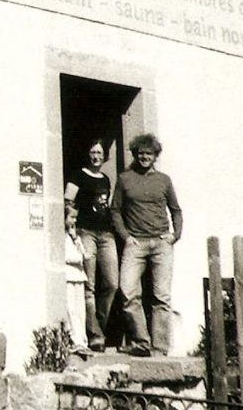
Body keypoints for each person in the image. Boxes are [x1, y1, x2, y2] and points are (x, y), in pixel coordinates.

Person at [110, 132, 181, 356]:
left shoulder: (164, 180)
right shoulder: (125, 179)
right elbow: (115, 211)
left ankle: (160, 347)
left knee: (162, 296)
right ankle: (141, 342)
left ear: (155, 155)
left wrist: (174, 235)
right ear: (135, 154)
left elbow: (176, 210)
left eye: (148, 153)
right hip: (136, 243)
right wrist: (126, 237)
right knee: (128, 291)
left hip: (161, 242)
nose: (144, 157)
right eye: (140, 153)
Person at [64, 140, 118, 352]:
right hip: (86, 232)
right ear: (88, 154)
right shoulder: (79, 175)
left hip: (106, 234)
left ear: (105, 156)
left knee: (112, 284)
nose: (96, 156)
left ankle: (98, 327)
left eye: (99, 152)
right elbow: (68, 200)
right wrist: (72, 224)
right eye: (92, 151)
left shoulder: (105, 179)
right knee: (90, 286)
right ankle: (95, 335)